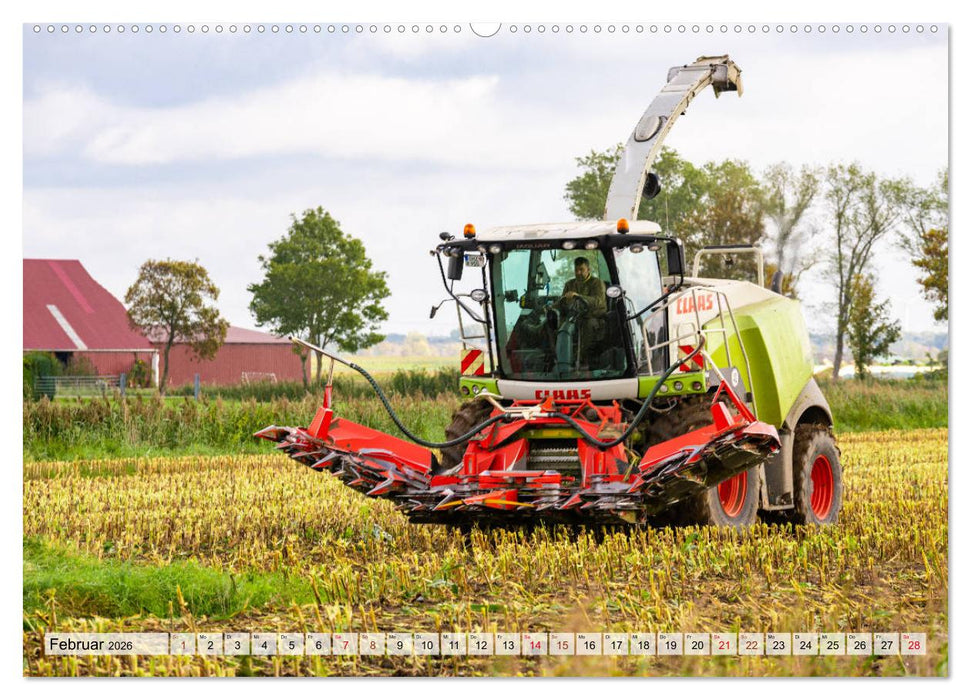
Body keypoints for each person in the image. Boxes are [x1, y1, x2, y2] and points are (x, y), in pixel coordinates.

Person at [557, 257, 607, 365]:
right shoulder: (569, 284)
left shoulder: (597, 283)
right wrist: (554, 307)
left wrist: (578, 296)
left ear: (588, 270)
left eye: (581, 270)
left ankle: (582, 358)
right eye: (576, 270)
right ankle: (557, 356)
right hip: (572, 318)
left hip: (593, 317)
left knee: (589, 325)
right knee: (554, 322)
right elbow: (561, 303)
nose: (578, 273)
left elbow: (599, 301)